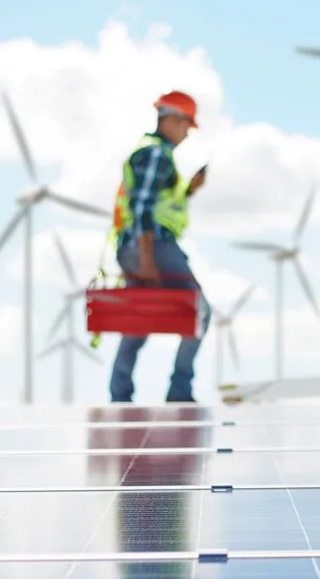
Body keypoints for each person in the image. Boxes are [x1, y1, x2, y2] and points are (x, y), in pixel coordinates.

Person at [108, 90, 212, 403]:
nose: (187, 133)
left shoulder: (153, 152)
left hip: (137, 246)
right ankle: (179, 391)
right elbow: (142, 209)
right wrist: (148, 259)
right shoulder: (155, 153)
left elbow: (160, 203)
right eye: (186, 125)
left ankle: (120, 394)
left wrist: (189, 190)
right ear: (171, 120)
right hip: (152, 246)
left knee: (139, 319)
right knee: (200, 311)